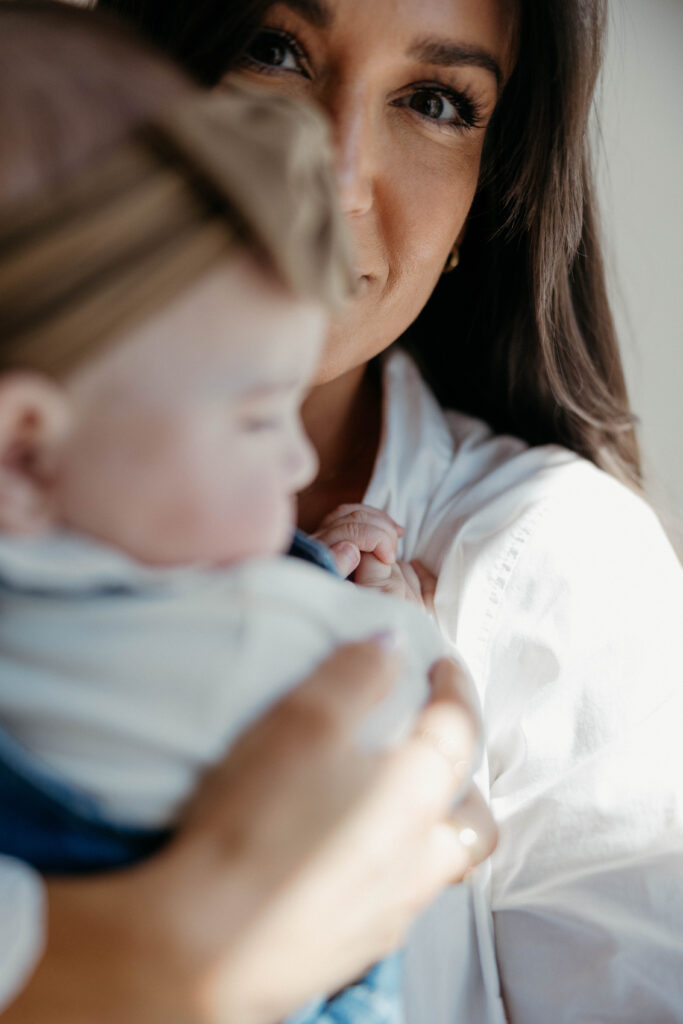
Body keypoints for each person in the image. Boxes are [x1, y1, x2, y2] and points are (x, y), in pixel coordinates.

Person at [92, 0, 683, 1021]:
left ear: (481, 200)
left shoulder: (556, 567)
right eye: (272, 51)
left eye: (434, 102)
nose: (334, 179)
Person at [0, 6, 496, 1023]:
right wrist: (382, 610)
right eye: (257, 417)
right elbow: (411, 703)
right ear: (25, 452)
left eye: (434, 101)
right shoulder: (241, 641)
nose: (296, 456)